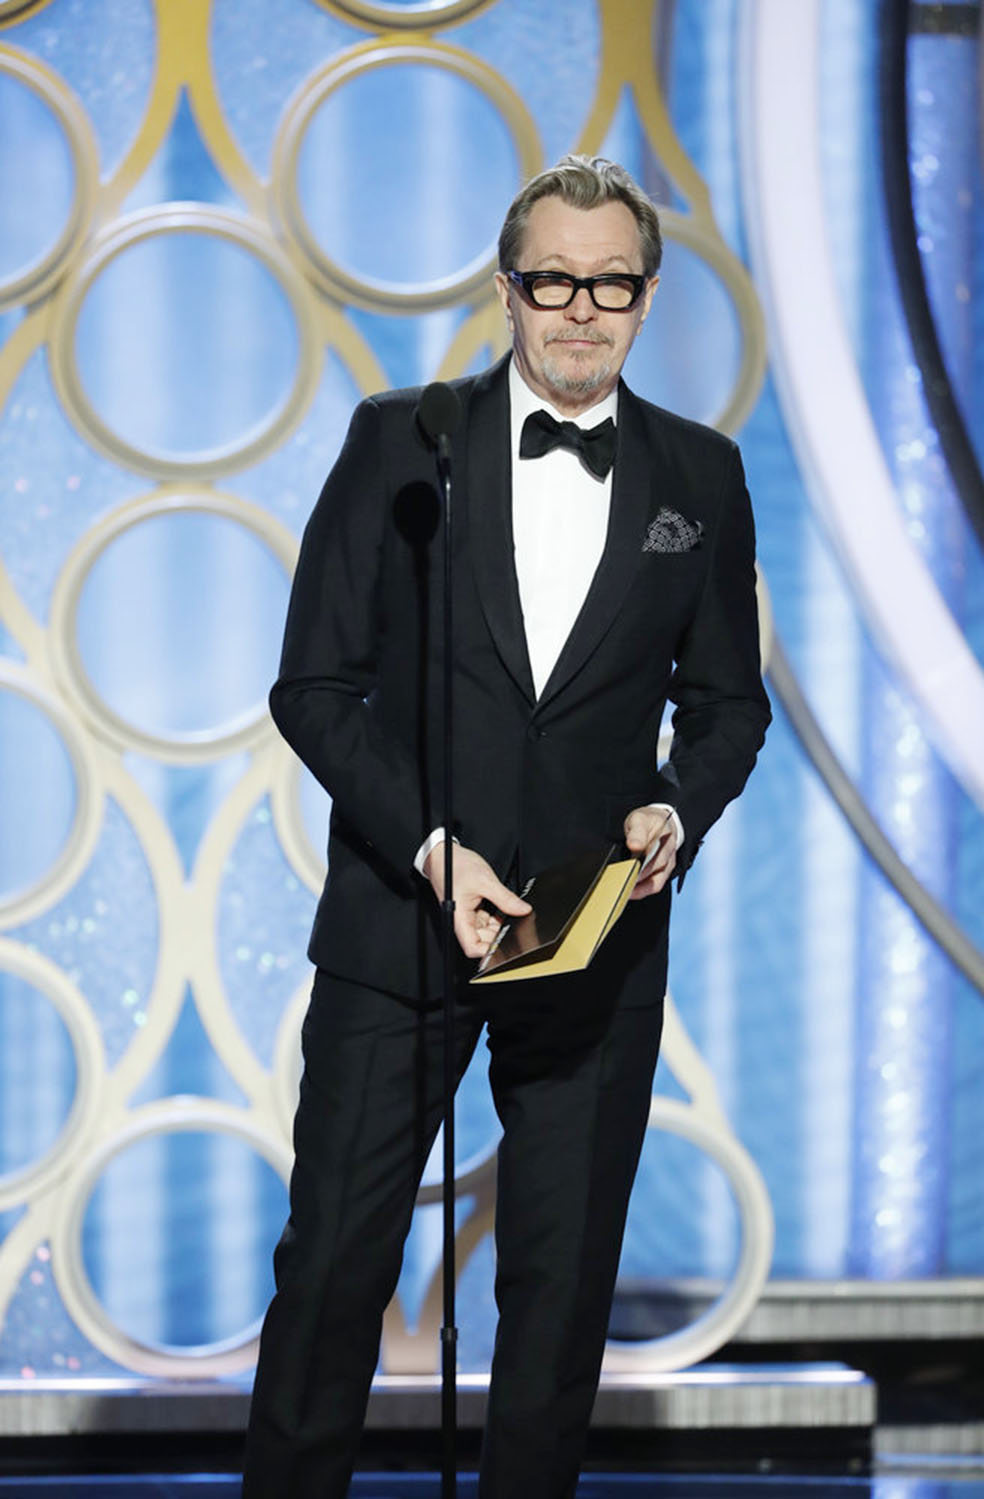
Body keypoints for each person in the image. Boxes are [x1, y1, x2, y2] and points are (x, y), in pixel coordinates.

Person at [242, 155, 770, 1498]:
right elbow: (314, 686)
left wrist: (677, 806)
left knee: (559, 1288)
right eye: (554, 279)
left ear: (646, 298)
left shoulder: (700, 477)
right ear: (507, 287)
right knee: (336, 1264)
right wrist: (433, 847)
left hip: (593, 945)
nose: (580, 308)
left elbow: (727, 708)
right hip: (399, 930)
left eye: (611, 283)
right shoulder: (399, 441)